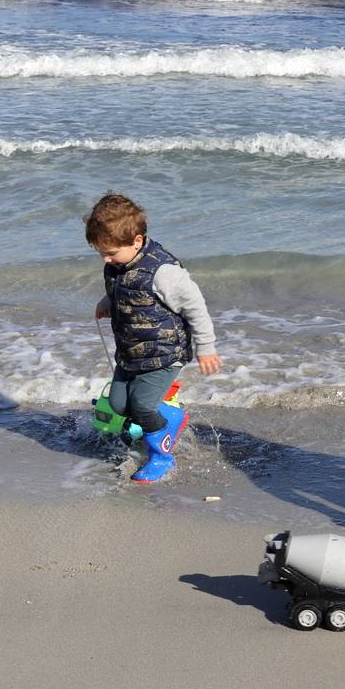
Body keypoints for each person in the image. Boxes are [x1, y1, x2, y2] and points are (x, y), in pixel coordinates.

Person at [86, 193, 221, 482]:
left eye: (111, 253)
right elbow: (125, 288)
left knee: (142, 406)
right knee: (119, 404)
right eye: (101, 253)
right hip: (131, 351)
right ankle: (169, 418)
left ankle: (161, 456)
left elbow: (196, 307)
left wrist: (206, 347)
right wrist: (108, 301)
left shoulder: (163, 272)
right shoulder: (117, 264)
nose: (106, 259)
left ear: (136, 241)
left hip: (164, 354)